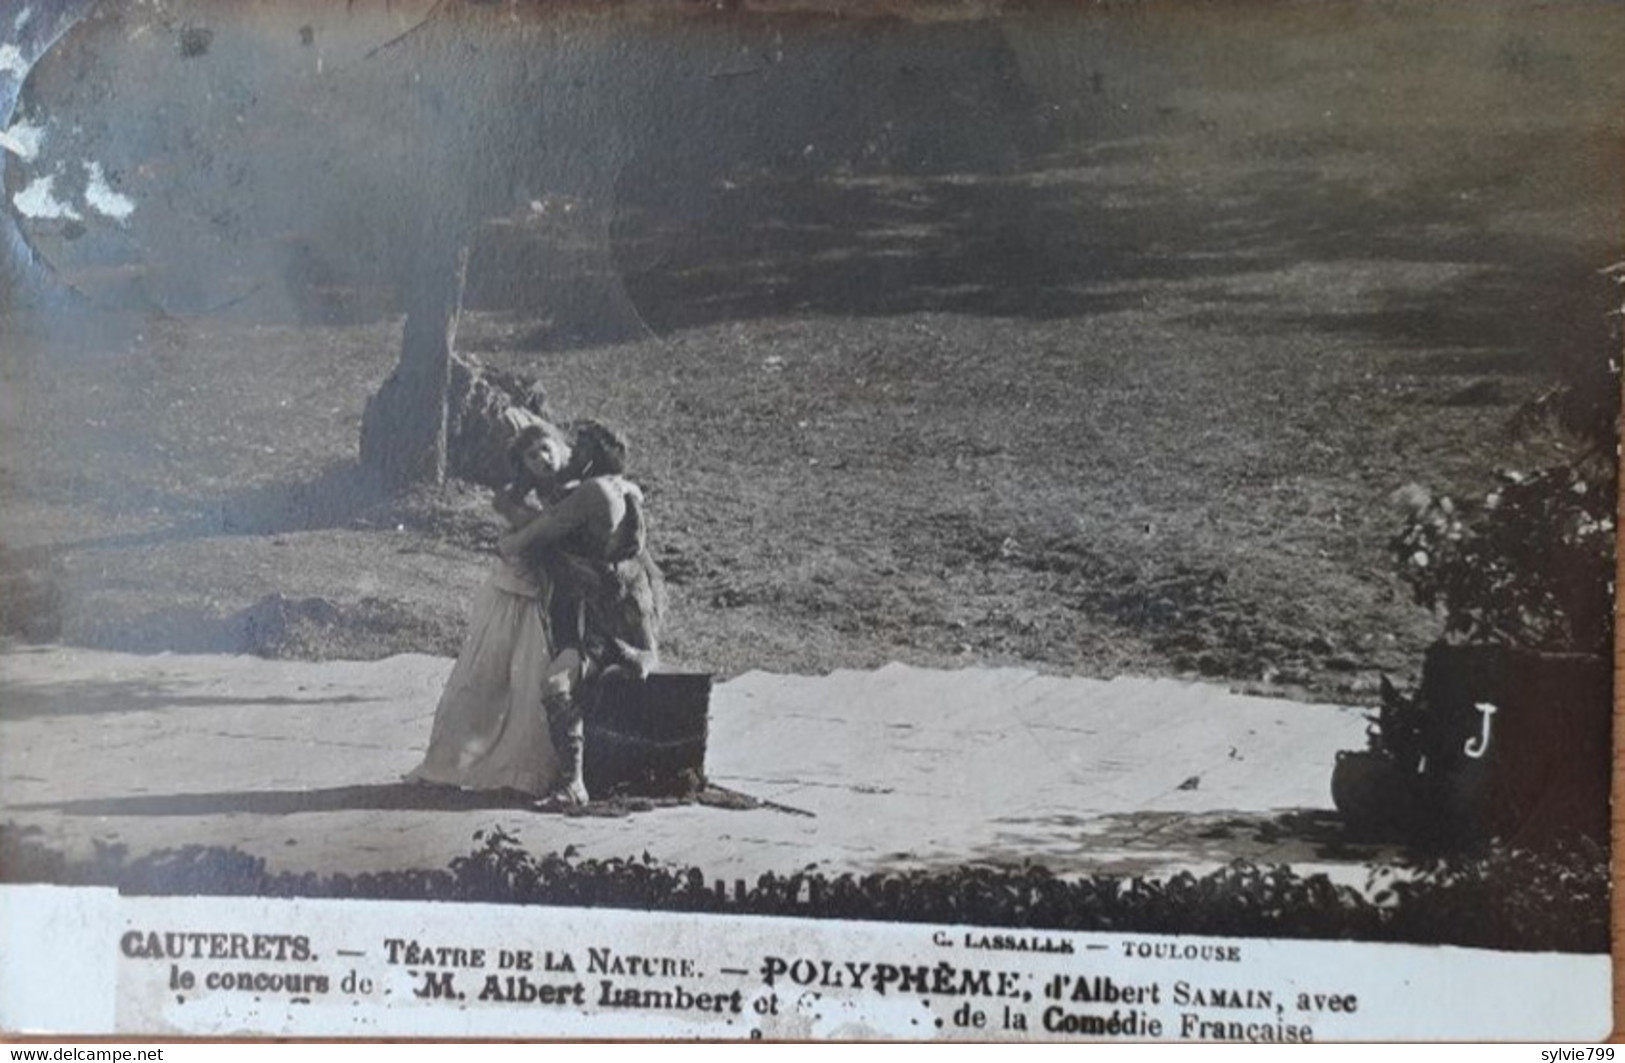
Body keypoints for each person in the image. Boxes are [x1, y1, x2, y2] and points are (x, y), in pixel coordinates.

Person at [403, 420, 578, 797]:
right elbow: (530, 535)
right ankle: (459, 759)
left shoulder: (579, 488)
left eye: (546, 448)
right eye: (532, 456)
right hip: (515, 592)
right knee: (489, 674)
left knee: (534, 681)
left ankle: (533, 767)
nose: (542, 459)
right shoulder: (519, 499)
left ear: (560, 446)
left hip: (549, 597)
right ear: (523, 465)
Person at [498, 419, 666, 807]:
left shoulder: (592, 491)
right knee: (562, 678)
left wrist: (508, 543)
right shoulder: (614, 489)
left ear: (593, 456)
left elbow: (539, 532)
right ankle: (572, 780)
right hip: (608, 611)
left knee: (557, 685)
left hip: (601, 618)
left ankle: (573, 784)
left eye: (582, 449)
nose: (571, 453)